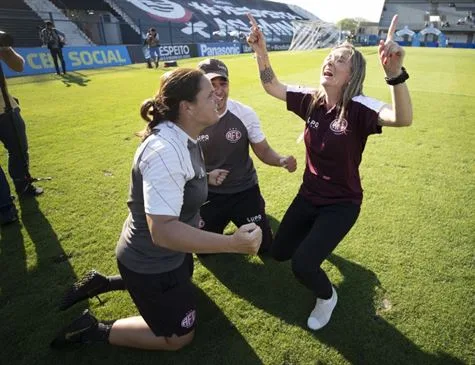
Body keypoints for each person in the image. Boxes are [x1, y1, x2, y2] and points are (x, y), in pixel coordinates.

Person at [56, 58, 296, 311]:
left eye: (222, 83)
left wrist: (207, 175)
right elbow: (163, 230)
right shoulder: (168, 147)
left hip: (220, 207)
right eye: (208, 89)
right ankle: (98, 315)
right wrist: (230, 244)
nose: (217, 93)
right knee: (182, 323)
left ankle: (116, 283)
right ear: (188, 105)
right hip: (161, 247)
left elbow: (187, 169)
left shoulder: (186, 133)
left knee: (260, 247)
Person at [246, 13, 412, 331]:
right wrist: (260, 50)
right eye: (331, 57)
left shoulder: (361, 107)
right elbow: (272, 86)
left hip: (341, 203)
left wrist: (395, 74)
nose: (331, 61)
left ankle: (327, 296)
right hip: (308, 196)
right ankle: (315, 238)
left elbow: (402, 118)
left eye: (341, 59)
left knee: (303, 264)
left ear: (352, 74)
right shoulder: (312, 100)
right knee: (279, 253)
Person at [197, 58, 296, 254]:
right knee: (204, 252)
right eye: (210, 85)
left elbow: (263, 150)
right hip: (207, 193)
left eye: (222, 83)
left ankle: (254, 215)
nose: (218, 90)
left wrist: (280, 160)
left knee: (264, 247)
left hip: (244, 190)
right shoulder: (190, 117)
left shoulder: (244, 114)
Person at [0, 46, 43, 226]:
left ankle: (22, 184)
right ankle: (4, 206)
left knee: (19, 150)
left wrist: (5, 50)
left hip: (6, 108)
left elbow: (18, 66)